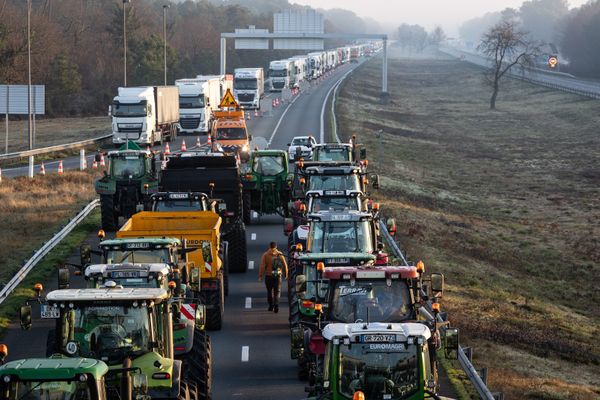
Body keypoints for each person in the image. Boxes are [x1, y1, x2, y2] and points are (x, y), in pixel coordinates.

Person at [258, 241, 288, 313]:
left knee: (269, 291)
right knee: (276, 292)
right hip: (277, 276)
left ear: (269, 247)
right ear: (276, 247)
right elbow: (285, 265)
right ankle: (276, 304)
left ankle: (271, 306)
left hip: (269, 276)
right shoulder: (280, 254)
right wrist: (286, 274)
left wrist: (260, 276)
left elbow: (262, 266)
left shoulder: (265, 255)